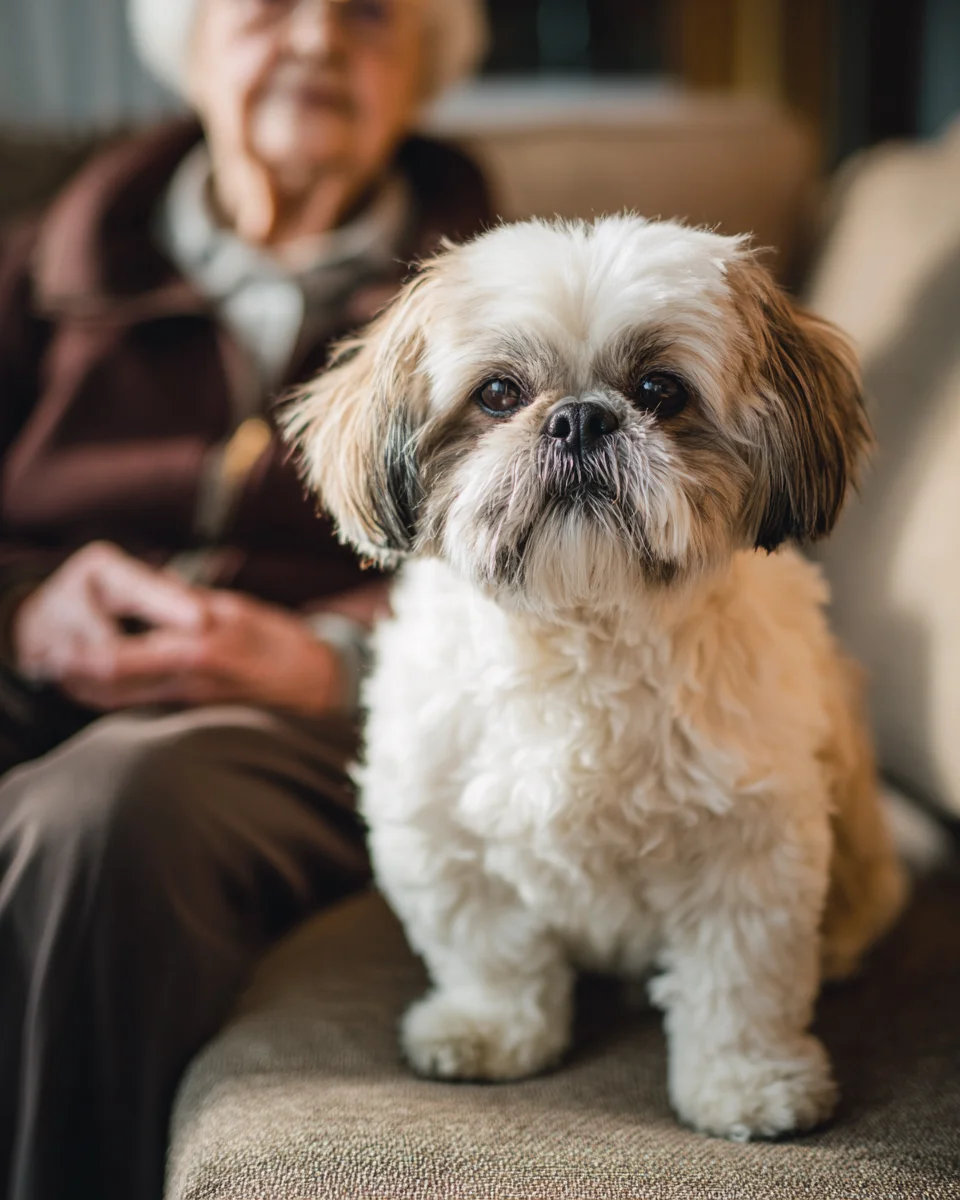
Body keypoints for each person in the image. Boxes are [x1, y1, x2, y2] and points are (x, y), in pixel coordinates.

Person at [0, 2, 491, 1197]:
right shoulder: (35, 267)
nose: (318, 40)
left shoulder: (502, 302)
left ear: (420, 68)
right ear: (189, 37)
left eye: (371, 13)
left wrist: (332, 656)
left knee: (105, 810)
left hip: (315, 727)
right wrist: (24, 611)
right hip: (35, 684)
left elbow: (555, 573)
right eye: (270, 2)